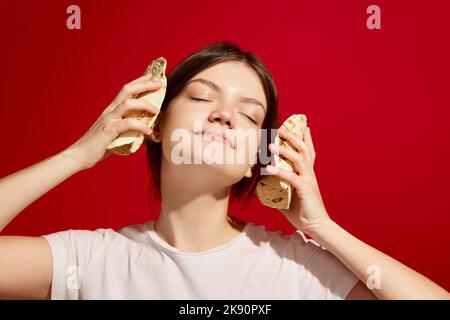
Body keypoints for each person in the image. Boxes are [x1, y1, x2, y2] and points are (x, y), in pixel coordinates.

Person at [0, 42, 448, 300]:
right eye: (200, 97)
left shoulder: (297, 267)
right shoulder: (88, 260)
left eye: (251, 116)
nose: (225, 116)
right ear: (155, 123)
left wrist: (320, 226)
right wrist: (79, 154)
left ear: (259, 154)